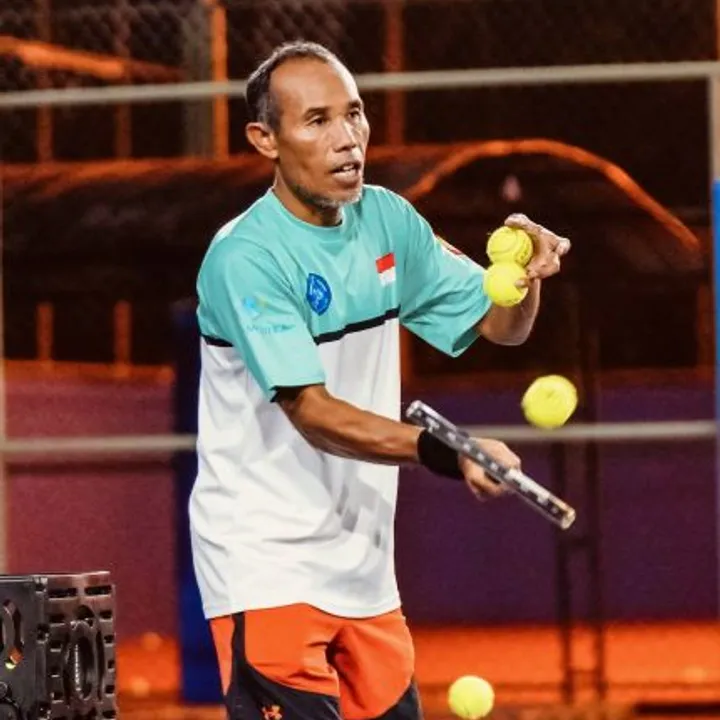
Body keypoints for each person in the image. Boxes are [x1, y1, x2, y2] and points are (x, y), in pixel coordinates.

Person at [190, 40, 570, 720]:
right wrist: (446, 453)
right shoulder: (245, 256)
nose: (347, 138)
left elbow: (499, 325)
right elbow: (313, 412)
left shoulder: (389, 219)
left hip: (365, 569)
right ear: (265, 139)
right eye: (317, 121)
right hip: (265, 562)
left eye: (354, 114)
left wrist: (524, 278)